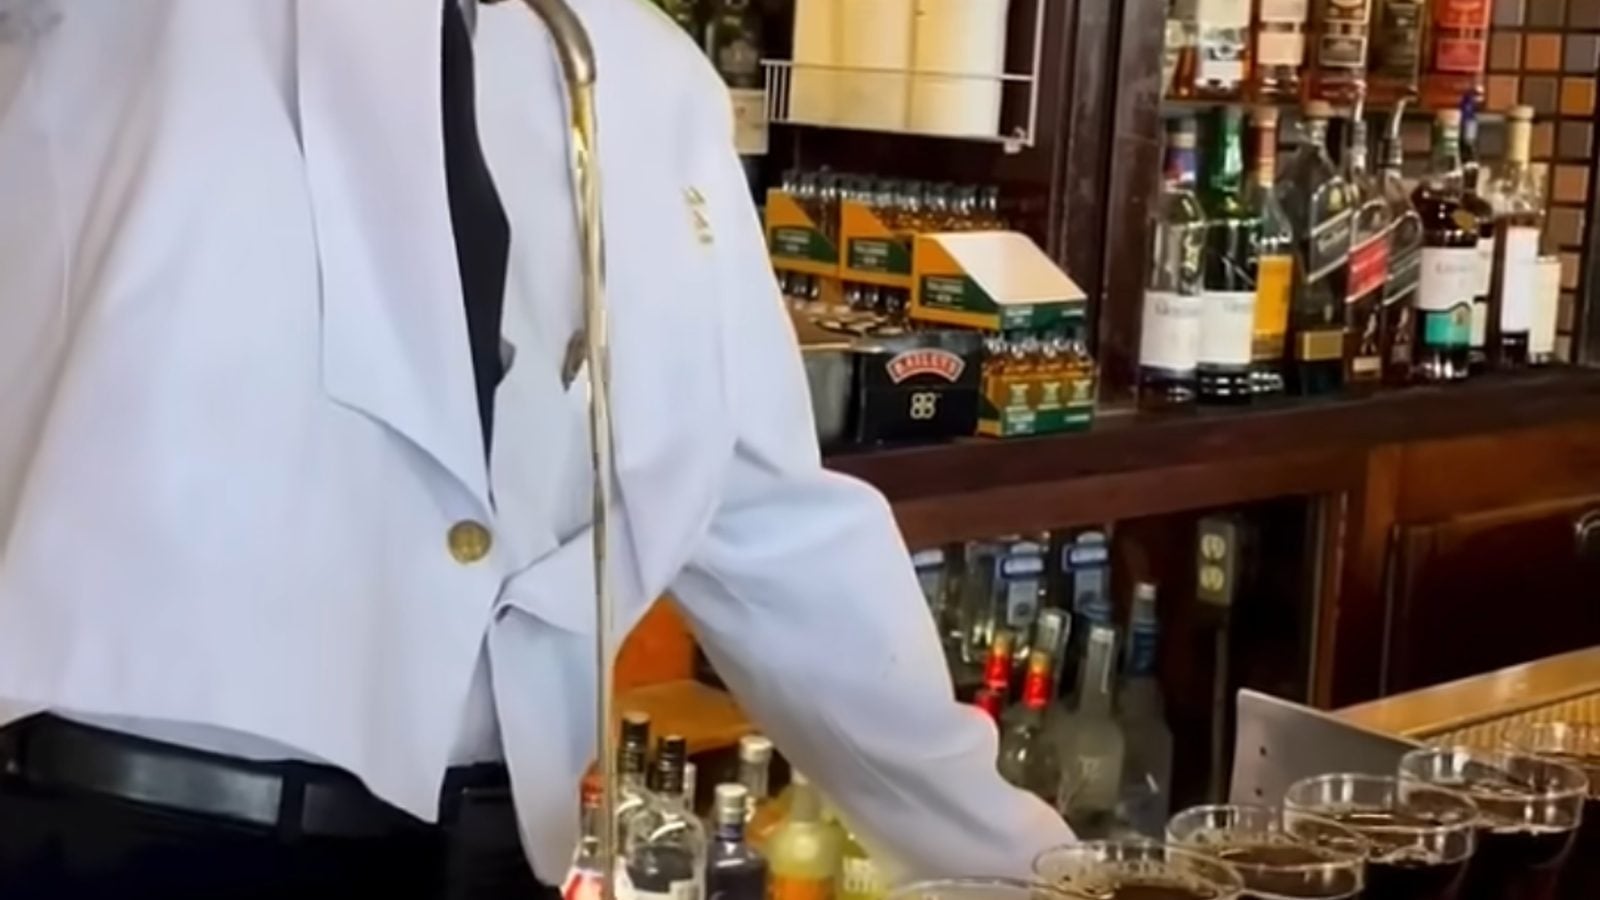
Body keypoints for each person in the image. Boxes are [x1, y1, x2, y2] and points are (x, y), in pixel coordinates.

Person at [0, 1, 1073, 897]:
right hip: (122, 837)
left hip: (513, 852)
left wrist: (1032, 868)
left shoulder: (652, 85)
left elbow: (772, 528)